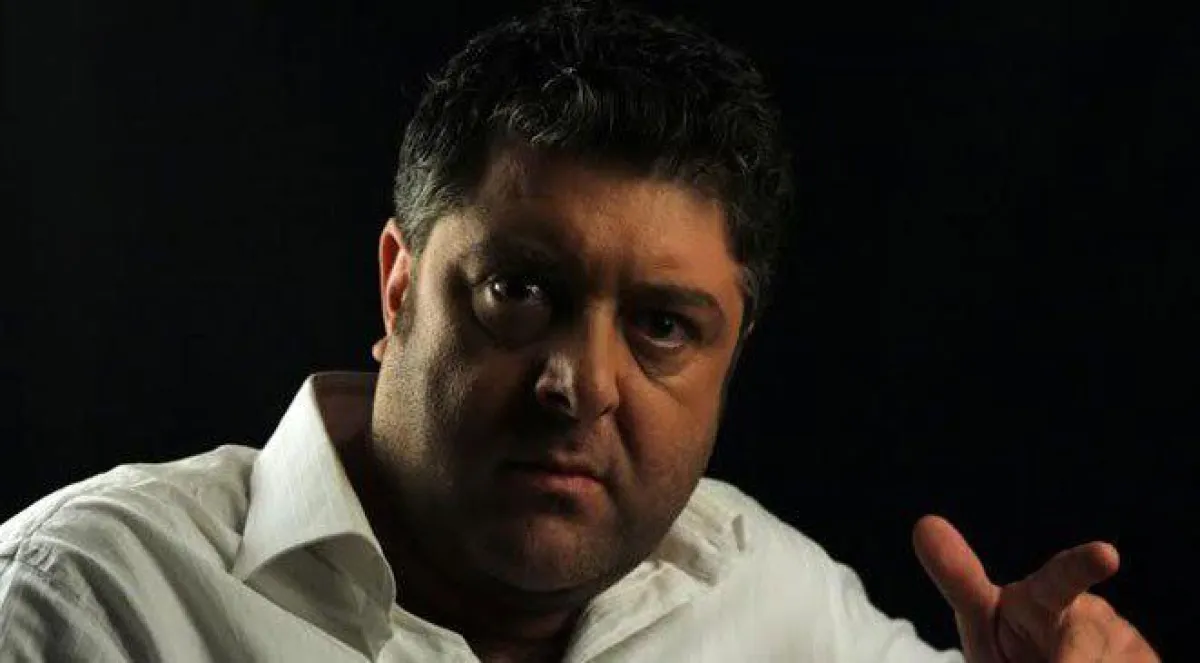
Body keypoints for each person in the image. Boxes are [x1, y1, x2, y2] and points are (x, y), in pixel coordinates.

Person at [0, 1, 1159, 661]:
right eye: (519, 292)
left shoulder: (761, 588)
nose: (580, 383)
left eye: (662, 325)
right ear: (399, 287)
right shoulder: (90, 598)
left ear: (733, 354)